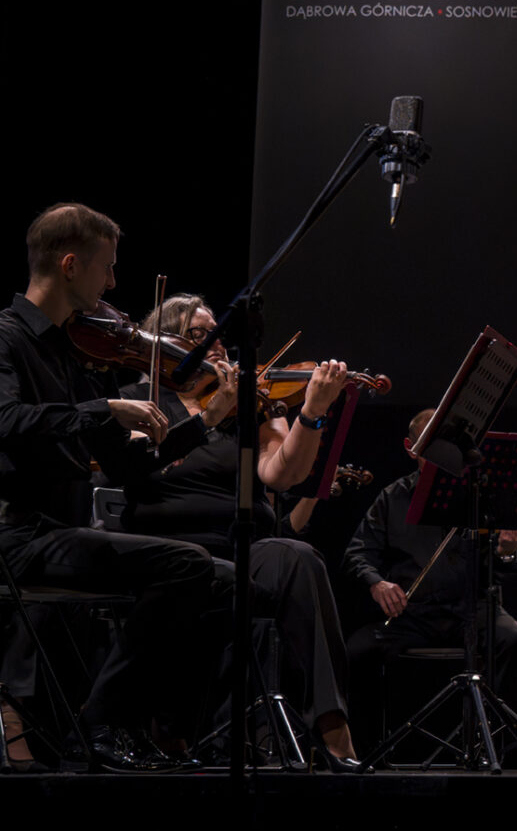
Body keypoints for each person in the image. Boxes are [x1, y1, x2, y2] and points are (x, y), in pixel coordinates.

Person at [0, 204, 229, 771]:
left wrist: (204, 421)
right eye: (107, 267)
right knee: (186, 565)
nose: (112, 284)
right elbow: (7, 420)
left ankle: (134, 724)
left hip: (62, 532)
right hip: (19, 534)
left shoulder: (73, 352)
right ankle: (100, 722)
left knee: (220, 577)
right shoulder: (7, 338)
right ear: (70, 265)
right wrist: (103, 407)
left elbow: (128, 468)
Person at [116, 294, 361, 769]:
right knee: (203, 580)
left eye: (218, 336)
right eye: (199, 335)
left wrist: (311, 412)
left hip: (242, 545)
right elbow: (136, 465)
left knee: (298, 557)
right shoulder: (142, 401)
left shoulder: (254, 404)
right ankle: (174, 725)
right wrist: (205, 418)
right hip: (169, 549)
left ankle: (333, 730)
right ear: (165, 343)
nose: (217, 346)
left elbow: (281, 475)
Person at [344, 409, 517, 751]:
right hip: (412, 615)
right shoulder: (393, 497)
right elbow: (358, 553)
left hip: (470, 610)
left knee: (512, 638)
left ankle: (489, 739)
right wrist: (377, 583)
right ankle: (367, 750)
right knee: (356, 651)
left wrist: (506, 551)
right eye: (431, 449)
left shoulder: (479, 497)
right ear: (411, 448)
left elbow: (497, 568)